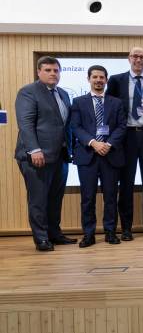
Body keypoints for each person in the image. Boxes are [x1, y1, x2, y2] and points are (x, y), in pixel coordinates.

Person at [15, 56, 77, 251]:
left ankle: (54, 234)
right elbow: (25, 123)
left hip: (60, 155)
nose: (53, 74)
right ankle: (41, 239)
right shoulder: (28, 92)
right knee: (38, 199)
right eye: (48, 70)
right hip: (36, 156)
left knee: (55, 198)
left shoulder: (63, 94)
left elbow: (65, 125)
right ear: (39, 72)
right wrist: (34, 149)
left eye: (56, 70)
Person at [106, 47, 143, 240]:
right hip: (126, 137)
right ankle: (126, 229)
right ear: (129, 58)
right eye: (135, 56)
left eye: (142, 57)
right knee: (126, 184)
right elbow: (110, 109)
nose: (138, 60)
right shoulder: (116, 80)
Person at [71, 65, 127, 247]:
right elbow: (76, 127)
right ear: (88, 79)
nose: (98, 80)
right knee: (88, 198)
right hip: (87, 155)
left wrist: (108, 144)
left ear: (106, 80)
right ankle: (89, 234)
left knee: (110, 197)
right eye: (94, 77)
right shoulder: (78, 102)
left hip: (111, 155)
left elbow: (122, 126)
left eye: (101, 77)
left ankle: (110, 232)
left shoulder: (116, 103)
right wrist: (93, 143)